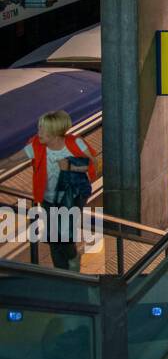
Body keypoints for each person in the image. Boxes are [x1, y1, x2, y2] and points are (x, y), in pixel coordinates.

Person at [24, 110, 98, 271]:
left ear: (55, 132)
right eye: (39, 128)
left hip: (73, 195)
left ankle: (72, 258)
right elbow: (14, 160)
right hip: (48, 198)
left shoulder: (75, 143)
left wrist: (70, 167)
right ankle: (62, 272)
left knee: (63, 236)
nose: (39, 132)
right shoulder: (37, 145)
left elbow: (93, 164)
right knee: (53, 238)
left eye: (43, 129)